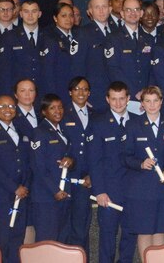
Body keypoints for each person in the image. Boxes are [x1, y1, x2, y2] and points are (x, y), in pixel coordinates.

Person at [121, 87, 164, 262]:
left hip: (163, 188)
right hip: (141, 189)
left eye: (155, 100)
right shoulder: (132, 125)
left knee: (160, 231)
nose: (152, 105)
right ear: (142, 104)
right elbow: (125, 156)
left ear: (161, 101)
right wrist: (140, 163)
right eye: (147, 101)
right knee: (144, 231)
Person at [87, 82, 137, 263]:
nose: (118, 103)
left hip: (132, 190)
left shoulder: (137, 121)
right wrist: (99, 191)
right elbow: (94, 161)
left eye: (122, 98)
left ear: (128, 99)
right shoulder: (98, 123)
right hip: (108, 192)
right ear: (107, 99)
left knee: (130, 236)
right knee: (108, 237)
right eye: (114, 99)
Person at [0, 95, 30, 263]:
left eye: (11, 106)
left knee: (17, 239)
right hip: (1, 196)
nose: (7, 110)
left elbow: (27, 162)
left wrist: (23, 187)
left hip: (21, 195)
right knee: (2, 240)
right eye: (2, 107)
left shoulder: (21, 131)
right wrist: (14, 188)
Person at [30, 94, 75, 241]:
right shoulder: (40, 132)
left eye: (60, 107)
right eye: (52, 108)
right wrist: (55, 190)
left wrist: (71, 160)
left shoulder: (62, 131)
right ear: (44, 112)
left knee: (62, 240)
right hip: (47, 197)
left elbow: (67, 157)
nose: (58, 111)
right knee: (47, 241)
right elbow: (38, 167)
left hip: (63, 194)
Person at [59, 77, 94, 250]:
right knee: (63, 229)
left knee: (81, 229)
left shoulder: (96, 115)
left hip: (85, 181)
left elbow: (98, 150)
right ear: (70, 92)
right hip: (64, 179)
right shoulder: (60, 113)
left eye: (85, 89)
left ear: (89, 93)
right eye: (77, 89)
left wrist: (92, 175)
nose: (81, 92)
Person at [106, 0, 154, 103]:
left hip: (146, 97)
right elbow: (113, 70)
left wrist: (146, 91)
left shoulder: (149, 39)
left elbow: (152, 68)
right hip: (124, 97)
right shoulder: (113, 38)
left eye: (136, 9)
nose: (133, 13)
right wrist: (132, 92)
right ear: (122, 14)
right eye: (128, 10)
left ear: (141, 13)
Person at [81, 0, 114, 113]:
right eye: (96, 7)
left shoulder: (118, 32)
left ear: (110, 9)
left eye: (104, 6)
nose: (101, 10)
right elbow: (77, 67)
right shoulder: (82, 33)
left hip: (116, 96)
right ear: (90, 11)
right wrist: (82, 95)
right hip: (94, 95)